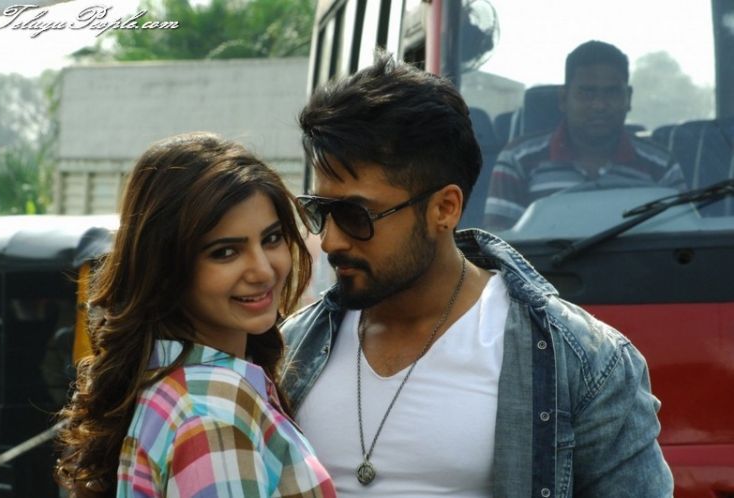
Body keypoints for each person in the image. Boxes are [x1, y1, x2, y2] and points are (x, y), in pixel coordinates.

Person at [280, 53, 674, 497]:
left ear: (444, 208)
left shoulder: (581, 361)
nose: (330, 241)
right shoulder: (289, 349)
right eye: (321, 212)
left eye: (356, 216)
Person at [55, 132, 336, 498]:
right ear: (167, 267)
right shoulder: (211, 413)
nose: (263, 270)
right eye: (225, 252)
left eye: (271, 239)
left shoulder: (172, 385)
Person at [484, 40, 686, 229]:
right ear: (563, 98)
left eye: (612, 92)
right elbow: (498, 247)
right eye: (587, 93)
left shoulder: (661, 166)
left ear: (628, 98)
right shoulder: (517, 161)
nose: (599, 105)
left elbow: (682, 242)